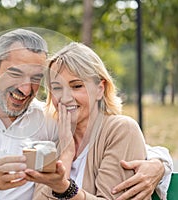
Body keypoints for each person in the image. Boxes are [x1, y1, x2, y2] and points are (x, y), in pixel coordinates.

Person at [0, 29, 172, 200]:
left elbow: (125, 141)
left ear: (100, 87)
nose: (25, 89)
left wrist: (159, 164)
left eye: (36, 79)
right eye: (15, 74)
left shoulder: (53, 122)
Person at [25, 42, 173, 200]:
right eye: (57, 88)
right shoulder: (54, 138)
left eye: (76, 86)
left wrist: (64, 188)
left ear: (99, 89)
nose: (65, 98)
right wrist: (66, 154)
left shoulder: (121, 130)